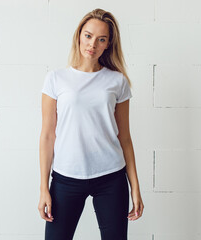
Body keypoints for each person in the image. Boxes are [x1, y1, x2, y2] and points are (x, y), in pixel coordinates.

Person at [38, 8, 144, 240]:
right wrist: (44, 187)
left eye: (101, 39)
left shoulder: (118, 81)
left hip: (111, 178)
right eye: (88, 35)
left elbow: (124, 137)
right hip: (66, 178)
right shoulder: (55, 79)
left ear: (108, 44)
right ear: (78, 36)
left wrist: (134, 186)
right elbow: (47, 136)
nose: (92, 44)